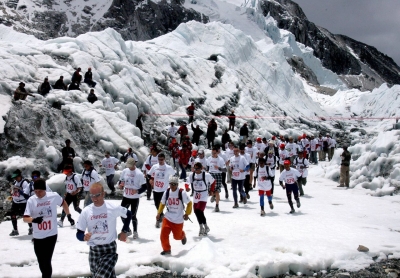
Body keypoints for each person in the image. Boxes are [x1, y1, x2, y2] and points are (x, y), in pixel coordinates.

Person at [76, 183, 132, 278]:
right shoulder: (86, 211)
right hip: (94, 250)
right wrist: (83, 237)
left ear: (103, 194)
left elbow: (129, 214)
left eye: (97, 195)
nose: (94, 199)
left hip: (109, 250)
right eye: (92, 195)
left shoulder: (112, 207)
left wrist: (124, 231)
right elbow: (79, 233)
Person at [23, 179, 74, 278]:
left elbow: (63, 203)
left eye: (40, 191)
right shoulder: (31, 200)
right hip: (38, 236)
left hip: (51, 234)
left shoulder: (53, 196)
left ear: (45, 189)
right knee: (41, 262)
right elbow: (25, 219)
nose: (38, 193)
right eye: (36, 191)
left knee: (46, 260)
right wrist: (34, 220)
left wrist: (68, 215)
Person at [157, 176, 192, 255]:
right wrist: (159, 213)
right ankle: (166, 249)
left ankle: (182, 235)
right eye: (171, 184)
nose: (172, 186)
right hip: (168, 217)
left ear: (177, 184)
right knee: (163, 234)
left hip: (178, 219)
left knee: (177, 237)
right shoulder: (167, 192)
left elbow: (189, 203)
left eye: (174, 184)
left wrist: (187, 214)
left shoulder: (181, 192)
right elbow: (162, 203)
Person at [119, 158, 147, 238]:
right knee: (121, 213)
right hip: (126, 196)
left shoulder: (139, 173)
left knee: (133, 215)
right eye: (128, 166)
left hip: (134, 198)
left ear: (134, 164)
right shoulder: (125, 171)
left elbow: (144, 187)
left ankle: (135, 231)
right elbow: (121, 181)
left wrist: (137, 191)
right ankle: (128, 229)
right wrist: (121, 185)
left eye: (131, 166)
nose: (129, 167)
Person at [185, 162, 215, 236]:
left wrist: (211, 190)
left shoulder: (206, 175)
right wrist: (187, 187)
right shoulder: (192, 175)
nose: (196, 170)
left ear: (201, 168)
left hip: (204, 194)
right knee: (196, 211)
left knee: (199, 210)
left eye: (198, 169)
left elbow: (213, 182)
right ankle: (203, 226)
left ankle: (203, 227)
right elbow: (187, 182)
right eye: (195, 169)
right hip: (196, 194)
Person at [148, 153, 176, 228]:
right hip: (156, 189)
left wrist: (172, 185)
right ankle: (162, 216)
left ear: (164, 159)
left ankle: (163, 219)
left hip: (164, 189)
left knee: (163, 204)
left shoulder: (168, 167)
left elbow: (174, 175)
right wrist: (151, 180)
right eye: (159, 159)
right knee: (156, 204)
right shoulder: (155, 166)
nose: (160, 161)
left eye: (162, 159)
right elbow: (149, 175)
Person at [9, 169, 31, 236]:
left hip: (23, 202)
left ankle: (31, 228)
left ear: (20, 176)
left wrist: (19, 190)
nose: (16, 178)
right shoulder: (15, 182)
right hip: (15, 202)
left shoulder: (25, 183)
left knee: (26, 215)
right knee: (12, 214)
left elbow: (26, 194)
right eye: (15, 177)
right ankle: (15, 230)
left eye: (17, 177)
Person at [207, 147, 226, 212]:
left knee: (217, 190)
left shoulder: (220, 159)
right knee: (210, 190)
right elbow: (207, 167)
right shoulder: (209, 158)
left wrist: (219, 168)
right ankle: (213, 195)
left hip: (218, 174)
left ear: (217, 152)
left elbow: (225, 169)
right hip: (211, 174)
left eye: (214, 153)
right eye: (212, 153)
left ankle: (217, 206)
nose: (213, 154)